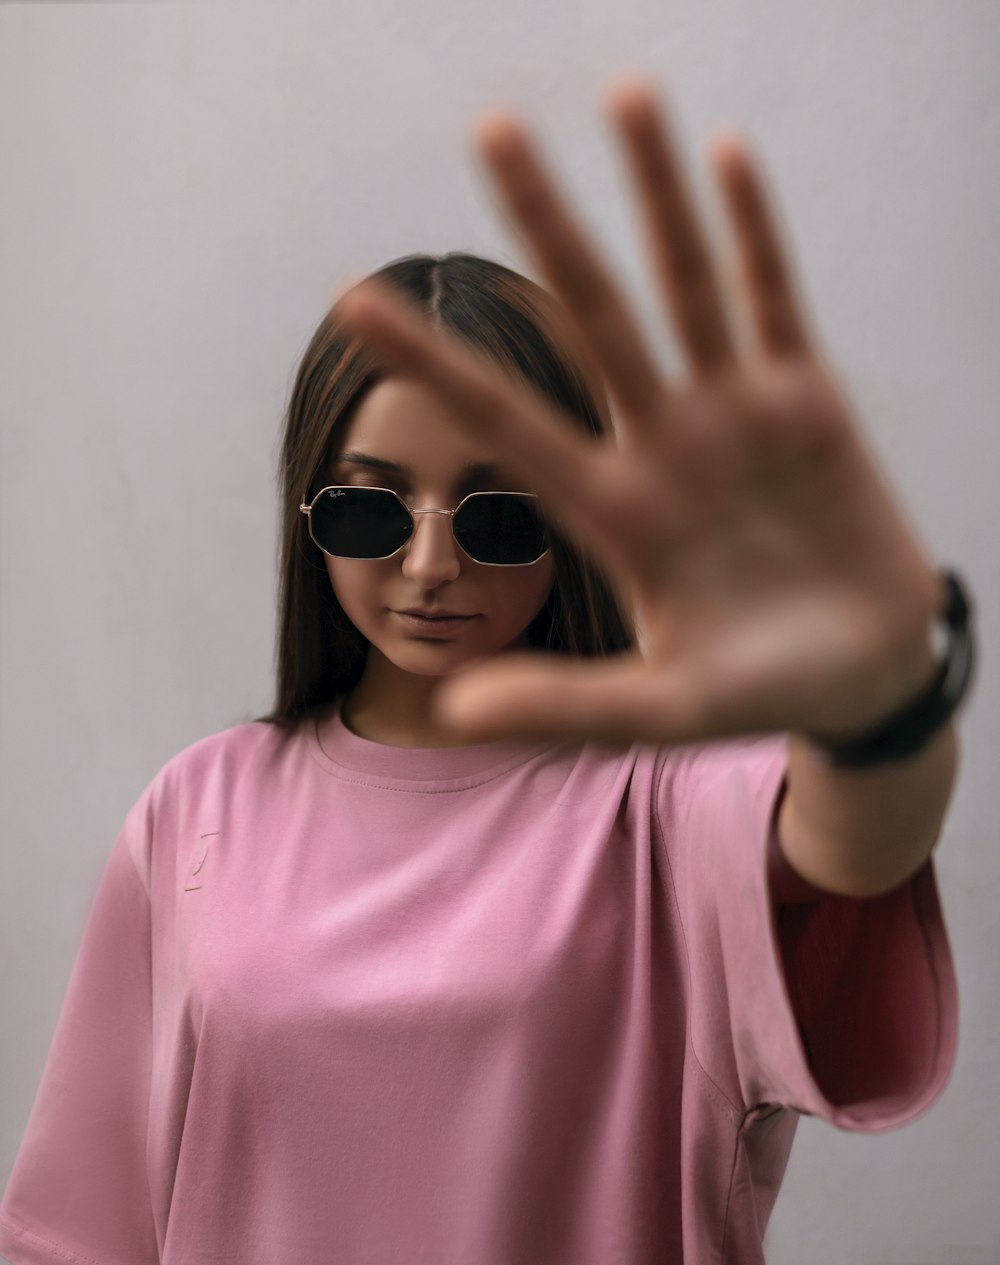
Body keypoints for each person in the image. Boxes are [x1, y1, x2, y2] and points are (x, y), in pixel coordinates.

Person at [0, 77, 972, 1265]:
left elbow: (853, 835)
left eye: (497, 513)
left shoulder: (660, 804)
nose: (430, 560)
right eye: (369, 509)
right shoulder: (193, 812)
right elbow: (80, 1230)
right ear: (308, 512)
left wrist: (879, 693)